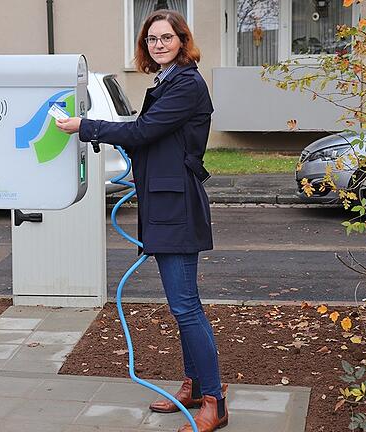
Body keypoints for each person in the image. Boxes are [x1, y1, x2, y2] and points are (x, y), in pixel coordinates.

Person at [55, 9, 227, 432]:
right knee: (180, 306)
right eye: (152, 39)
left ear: (182, 41)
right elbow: (158, 138)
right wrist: (141, 166)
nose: (158, 45)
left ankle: (215, 402)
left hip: (177, 208)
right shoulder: (167, 80)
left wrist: (84, 126)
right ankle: (193, 383)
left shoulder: (186, 84)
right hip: (163, 203)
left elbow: (144, 130)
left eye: (166, 37)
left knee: (186, 307)